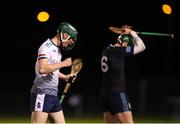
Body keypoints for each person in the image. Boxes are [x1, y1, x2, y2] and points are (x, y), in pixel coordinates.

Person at [30, 22, 78, 123]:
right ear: (64, 35)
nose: (70, 43)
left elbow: (51, 71)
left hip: (53, 94)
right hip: (42, 92)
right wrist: (63, 64)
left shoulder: (57, 50)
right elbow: (42, 69)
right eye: (70, 40)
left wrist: (65, 77)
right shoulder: (46, 47)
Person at [100, 25, 146, 123]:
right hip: (117, 93)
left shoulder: (106, 50)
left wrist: (125, 34)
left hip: (105, 94)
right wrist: (132, 33)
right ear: (125, 43)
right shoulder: (119, 51)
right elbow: (142, 47)